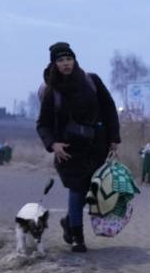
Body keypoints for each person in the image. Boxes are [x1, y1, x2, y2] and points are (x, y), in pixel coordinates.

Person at [36, 41, 120, 253]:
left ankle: (69, 221)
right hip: (68, 149)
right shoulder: (51, 91)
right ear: (54, 64)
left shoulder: (91, 81)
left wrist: (114, 138)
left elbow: (109, 108)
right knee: (77, 190)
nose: (66, 64)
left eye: (69, 59)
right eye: (61, 60)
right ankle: (77, 238)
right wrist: (53, 144)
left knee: (90, 190)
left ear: (75, 60)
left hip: (95, 145)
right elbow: (43, 124)